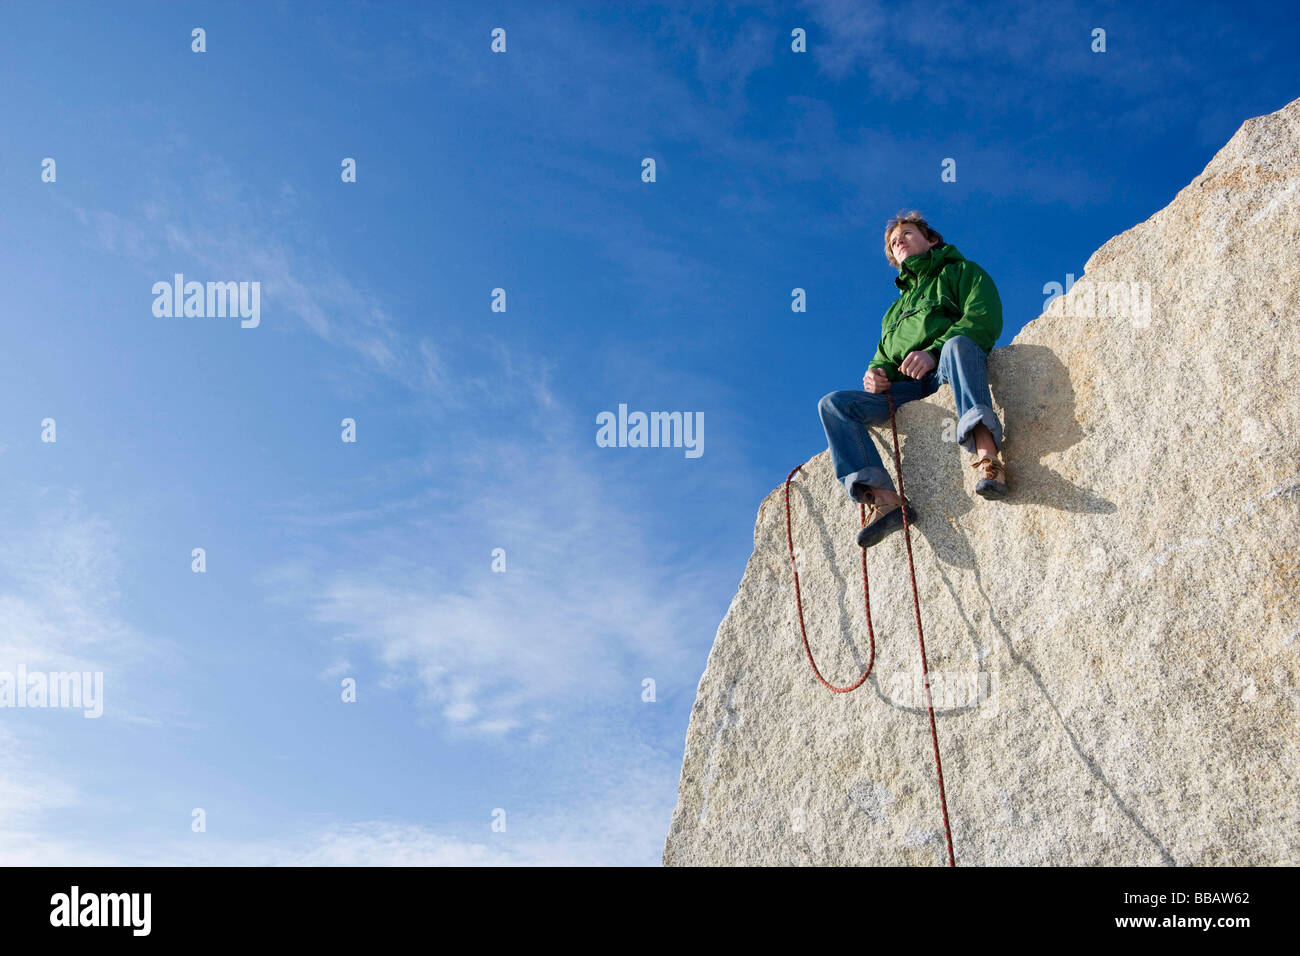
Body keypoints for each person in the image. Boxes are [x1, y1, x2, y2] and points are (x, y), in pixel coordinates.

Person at [818, 210, 1007, 548]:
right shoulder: (894, 312)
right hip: (907, 389)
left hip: (948, 369)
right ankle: (885, 499)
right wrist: (875, 375)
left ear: (931, 239)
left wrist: (934, 352)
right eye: (893, 242)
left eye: (906, 234)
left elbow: (984, 316)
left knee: (957, 345)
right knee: (833, 405)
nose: (899, 241)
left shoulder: (960, 272)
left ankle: (988, 459)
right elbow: (883, 358)